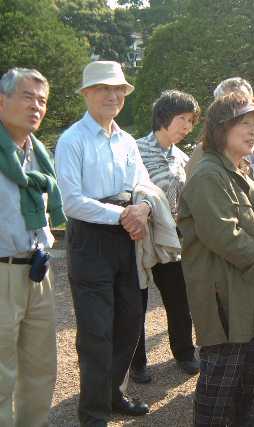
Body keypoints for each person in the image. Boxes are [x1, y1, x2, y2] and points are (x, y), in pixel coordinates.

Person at [178, 93, 254, 426]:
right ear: (220, 127)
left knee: (251, 381)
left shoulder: (241, 171)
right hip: (223, 296)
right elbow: (222, 235)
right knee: (221, 383)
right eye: (245, 123)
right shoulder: (208, 175)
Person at [55, 61, 152, 424]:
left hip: (126, 237)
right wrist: (124, 215)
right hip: (90, 239)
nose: (112, 95)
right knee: (96, 331)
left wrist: (143, 207)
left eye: (118, 90)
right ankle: (93, 412)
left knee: (130, 321)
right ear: (86, 94)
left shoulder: (127, 141)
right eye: (103, 89)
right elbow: (72, 202)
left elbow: (143, 182)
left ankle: (112, 393)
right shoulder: (72, 140)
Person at [0, 68, 64, 427]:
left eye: (42, 100)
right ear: (1, 102)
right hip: (2, 270)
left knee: (41, 368)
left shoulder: (39, 155)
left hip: (38, 271)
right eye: (27, 97)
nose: (36, 106)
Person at [130, 90, 201, 384]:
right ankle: (136, 362)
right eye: (182, 118)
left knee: (178, 297)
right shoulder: (134, 149)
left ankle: (184, 352)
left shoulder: (182, 157)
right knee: (136, 300)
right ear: (163, 116)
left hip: (171, 238)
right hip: (138, 237)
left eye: (191, 120)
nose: (187, 126)